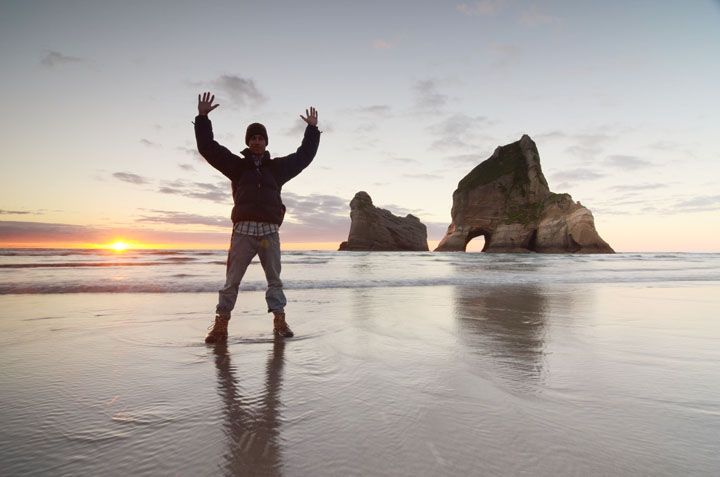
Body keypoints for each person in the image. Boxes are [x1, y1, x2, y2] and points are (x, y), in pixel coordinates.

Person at [195, 92, 320, 343]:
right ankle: (221, 325)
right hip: (243, 231)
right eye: (253, 138)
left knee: (274, 280)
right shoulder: (237, 167)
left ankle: (279, 322)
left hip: (268, 234)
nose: (257, 141)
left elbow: (303, 157)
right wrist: (203, 118)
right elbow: (209, 149)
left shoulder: (277, 169)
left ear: (266, 142)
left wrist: (312, 131)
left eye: (261, 137)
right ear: (248, 142)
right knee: (232, 281)